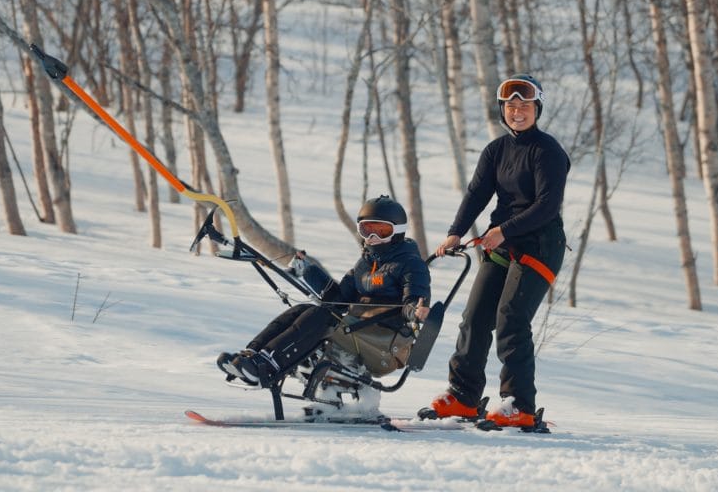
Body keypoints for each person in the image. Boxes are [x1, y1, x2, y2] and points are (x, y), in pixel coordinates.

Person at [427, 74, 569, 428]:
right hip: (502, 245)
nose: (517, 111)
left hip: (539, 245)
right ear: (502, 111)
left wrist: (503, 231)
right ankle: (463, 397)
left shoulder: (548, 152)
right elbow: (477, 194)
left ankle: (519, 405)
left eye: (524, 105)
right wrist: (455, 233)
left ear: (537, 108)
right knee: (474, 318)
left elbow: (546, 206)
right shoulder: (496, 150)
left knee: (511, 319)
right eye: (510, 106)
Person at [217, 196, 431, 389]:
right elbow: (338, 299)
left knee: (321, 316)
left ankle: (267, 365)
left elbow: (414, 299)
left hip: (384, 342)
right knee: (304, 309)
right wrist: (309, 271)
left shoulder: (411, 264)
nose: (373, 236)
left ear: (398, 231)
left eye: (381, 231)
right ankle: (252, 356)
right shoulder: (365, 263)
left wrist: (415, 310)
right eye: (366, 230)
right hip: (358, 330)